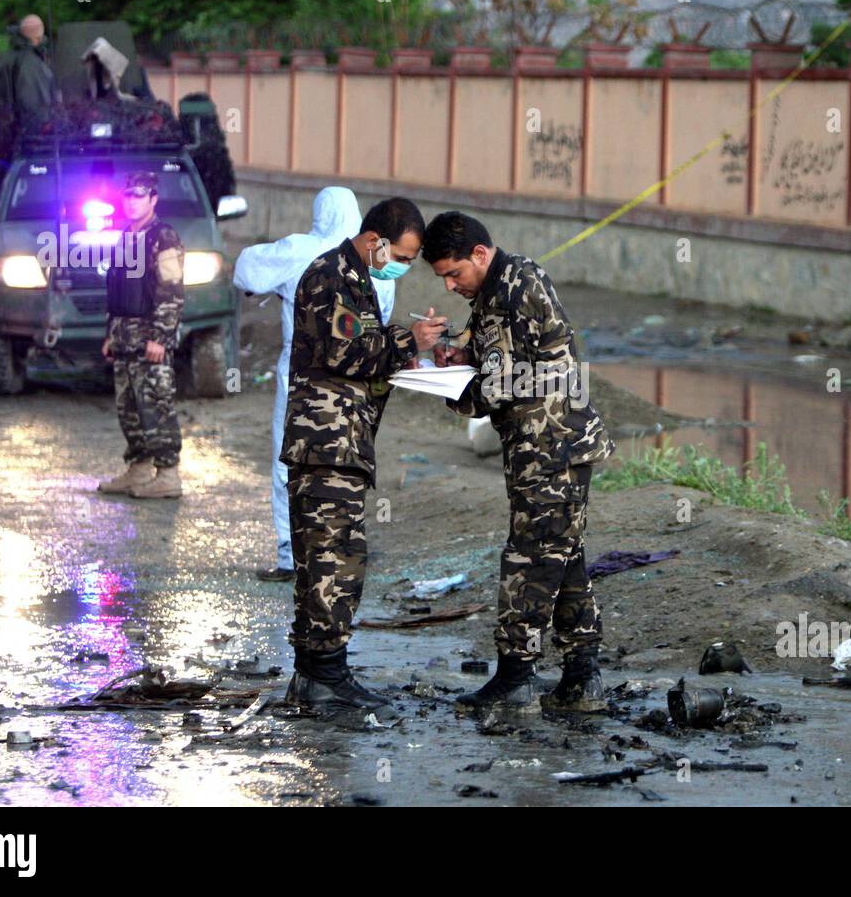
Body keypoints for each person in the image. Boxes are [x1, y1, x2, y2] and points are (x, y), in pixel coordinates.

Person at [421, 211, 615, 713]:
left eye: (454, 272)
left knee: (528, 560)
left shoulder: (512, 290)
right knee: (563, 559)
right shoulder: (498, 287)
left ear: (480, 255)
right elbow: (494, 358)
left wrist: (448, 387)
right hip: (550, 449)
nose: (449, 285)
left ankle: (515, 680)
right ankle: (582, 679)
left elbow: (500, 386)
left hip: (551, 451)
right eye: (441, 276)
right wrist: (456, 357)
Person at [281, 197, 446, 715]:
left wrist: (415, 355)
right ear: (376, 241)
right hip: (326, 441)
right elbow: (345, 353)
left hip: (342, 441)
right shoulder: (331, 275)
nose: (404, 265)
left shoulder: (357, 279)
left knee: (324, 562)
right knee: (334, 561)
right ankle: (324, 676)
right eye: (402, 255)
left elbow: (365, 354)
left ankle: (317, 676)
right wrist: (407, 340)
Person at [232, 187, 395, 583]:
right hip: (360, 373)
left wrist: (274, 286)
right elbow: (385, 321)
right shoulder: (378, 260)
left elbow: (246, 271)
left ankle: (292, 556)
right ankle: (341, 548)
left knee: (289, 460)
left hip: (304, 374)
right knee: (347, 461)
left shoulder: (301, 251)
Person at [98, 171, 185, 499]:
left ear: (153, 199)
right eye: (129, 196)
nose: (133, 201)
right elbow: (117, 291)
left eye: (140, 195)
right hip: (124, 339)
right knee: (128, 406)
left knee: (156, 404)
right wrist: (111, 334)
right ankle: (138, 469)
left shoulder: (164, 237)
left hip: (150, 340)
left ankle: (168, 474)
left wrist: (160, 337)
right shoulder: (124, 236)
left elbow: (171, 291)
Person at [0, 15, 56, 125]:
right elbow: (36, 109)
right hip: (24, 137)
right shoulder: (33, 65)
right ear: (38, 38)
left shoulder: (3, 60)